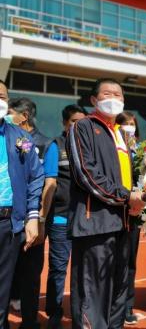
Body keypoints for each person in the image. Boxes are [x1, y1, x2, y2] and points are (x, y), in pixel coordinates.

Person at [66, 78, 145, 329]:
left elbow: (133, 175)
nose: (113, 99)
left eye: (118, 95)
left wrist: (143, 195)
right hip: (95, 223)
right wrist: (125, 196)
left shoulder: (122, 134)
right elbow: (85, 173)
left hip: (125, 223)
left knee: (119, 289)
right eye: (107, 94)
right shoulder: (83, 127)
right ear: (93, 100)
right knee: (93, 292)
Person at [8, 97, 59, 329]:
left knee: (30, 273)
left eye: (11, 112)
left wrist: (39, 218)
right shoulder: (11, 139)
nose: (7, 117)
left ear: (24, 116)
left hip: (32, 219)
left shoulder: (46, 144)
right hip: (8, 217)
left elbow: (49, 184)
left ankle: (29, 322)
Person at [0, 80, 44, 328]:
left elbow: (36, 174)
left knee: (3, 290)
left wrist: (33, 215)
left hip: (8, 224)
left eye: (2, 96)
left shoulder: (22, 137)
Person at [45, 105, 87, 329]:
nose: (78, 125)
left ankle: (80, 313)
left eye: (82, 121)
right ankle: (54, 312)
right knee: (59, 268)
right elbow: (50, 182)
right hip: (61, 218)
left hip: (85, 219)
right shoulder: (56, 146)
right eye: (73, 121)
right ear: (64, 123)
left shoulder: (90, 146)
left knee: (83, 270)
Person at [116, 111, 141, 326]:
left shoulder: (142, 152)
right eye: (124, 123)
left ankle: (127, 305)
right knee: (113, 260)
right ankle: (113, 305)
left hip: (134, 214)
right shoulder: (112, 148)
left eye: (132, 124)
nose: (128, 127)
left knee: (130, 260)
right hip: (114, 212)